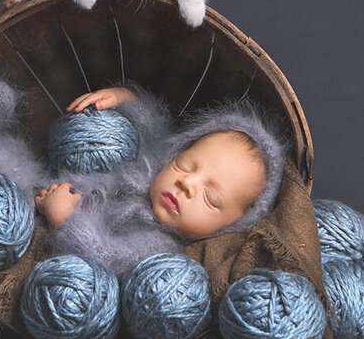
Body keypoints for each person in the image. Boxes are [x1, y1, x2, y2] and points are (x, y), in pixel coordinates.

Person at [34, 85, 288, 275]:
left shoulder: (159, 245)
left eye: (210, 198)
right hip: (66, 178)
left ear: (229, 226)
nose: (187, 184)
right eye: (184, 166)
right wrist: (125, 98)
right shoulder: (156, 166)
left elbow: (103, 255)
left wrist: (65, 219)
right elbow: (155, 129)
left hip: (58, 215)